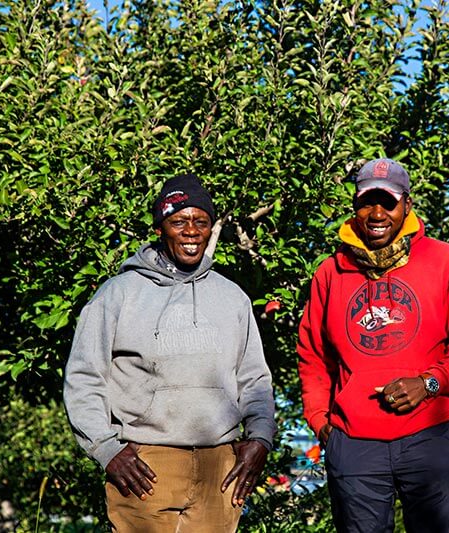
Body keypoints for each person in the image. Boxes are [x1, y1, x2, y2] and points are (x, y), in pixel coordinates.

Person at [63, 173, 277, 533]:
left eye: (201, 222)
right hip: (144, 463)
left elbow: (254, 377)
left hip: (219, 465)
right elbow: (85, 376)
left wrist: (260, 438)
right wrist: (105, 449)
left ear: (211, 229)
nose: (191, 231)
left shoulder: (232, 297)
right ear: (161, 227)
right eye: (179, 221)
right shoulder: (119, 294)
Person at [297, 158, 449, 533]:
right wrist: (322, 422)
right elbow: (312, 354)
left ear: (407, 204)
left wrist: (429, 383)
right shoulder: (331, 271)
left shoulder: (444, 261)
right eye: (365, 201)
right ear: (354, 206)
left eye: (387, 202)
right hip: (354, 445)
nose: (376, 212)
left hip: (430, 437)